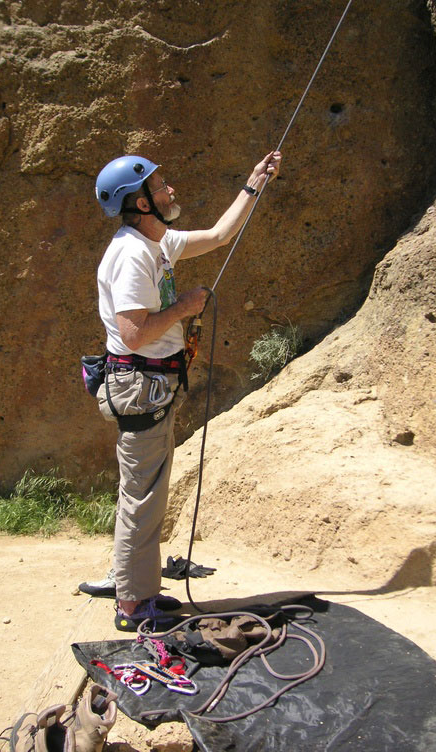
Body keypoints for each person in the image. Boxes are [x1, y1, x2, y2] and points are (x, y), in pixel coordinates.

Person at [93, 149, 282, 631]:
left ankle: (135, 587)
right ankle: (134, 605)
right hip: (141, 382)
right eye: (158, 187)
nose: (169, 190)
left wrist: (253, 184)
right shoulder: (134, 253)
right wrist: (184, 307)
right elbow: (134, 333)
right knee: (144, 496)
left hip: (149, 384)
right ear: (139, 204)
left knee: (143, 491)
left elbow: (220, 235)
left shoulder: (157, 242)